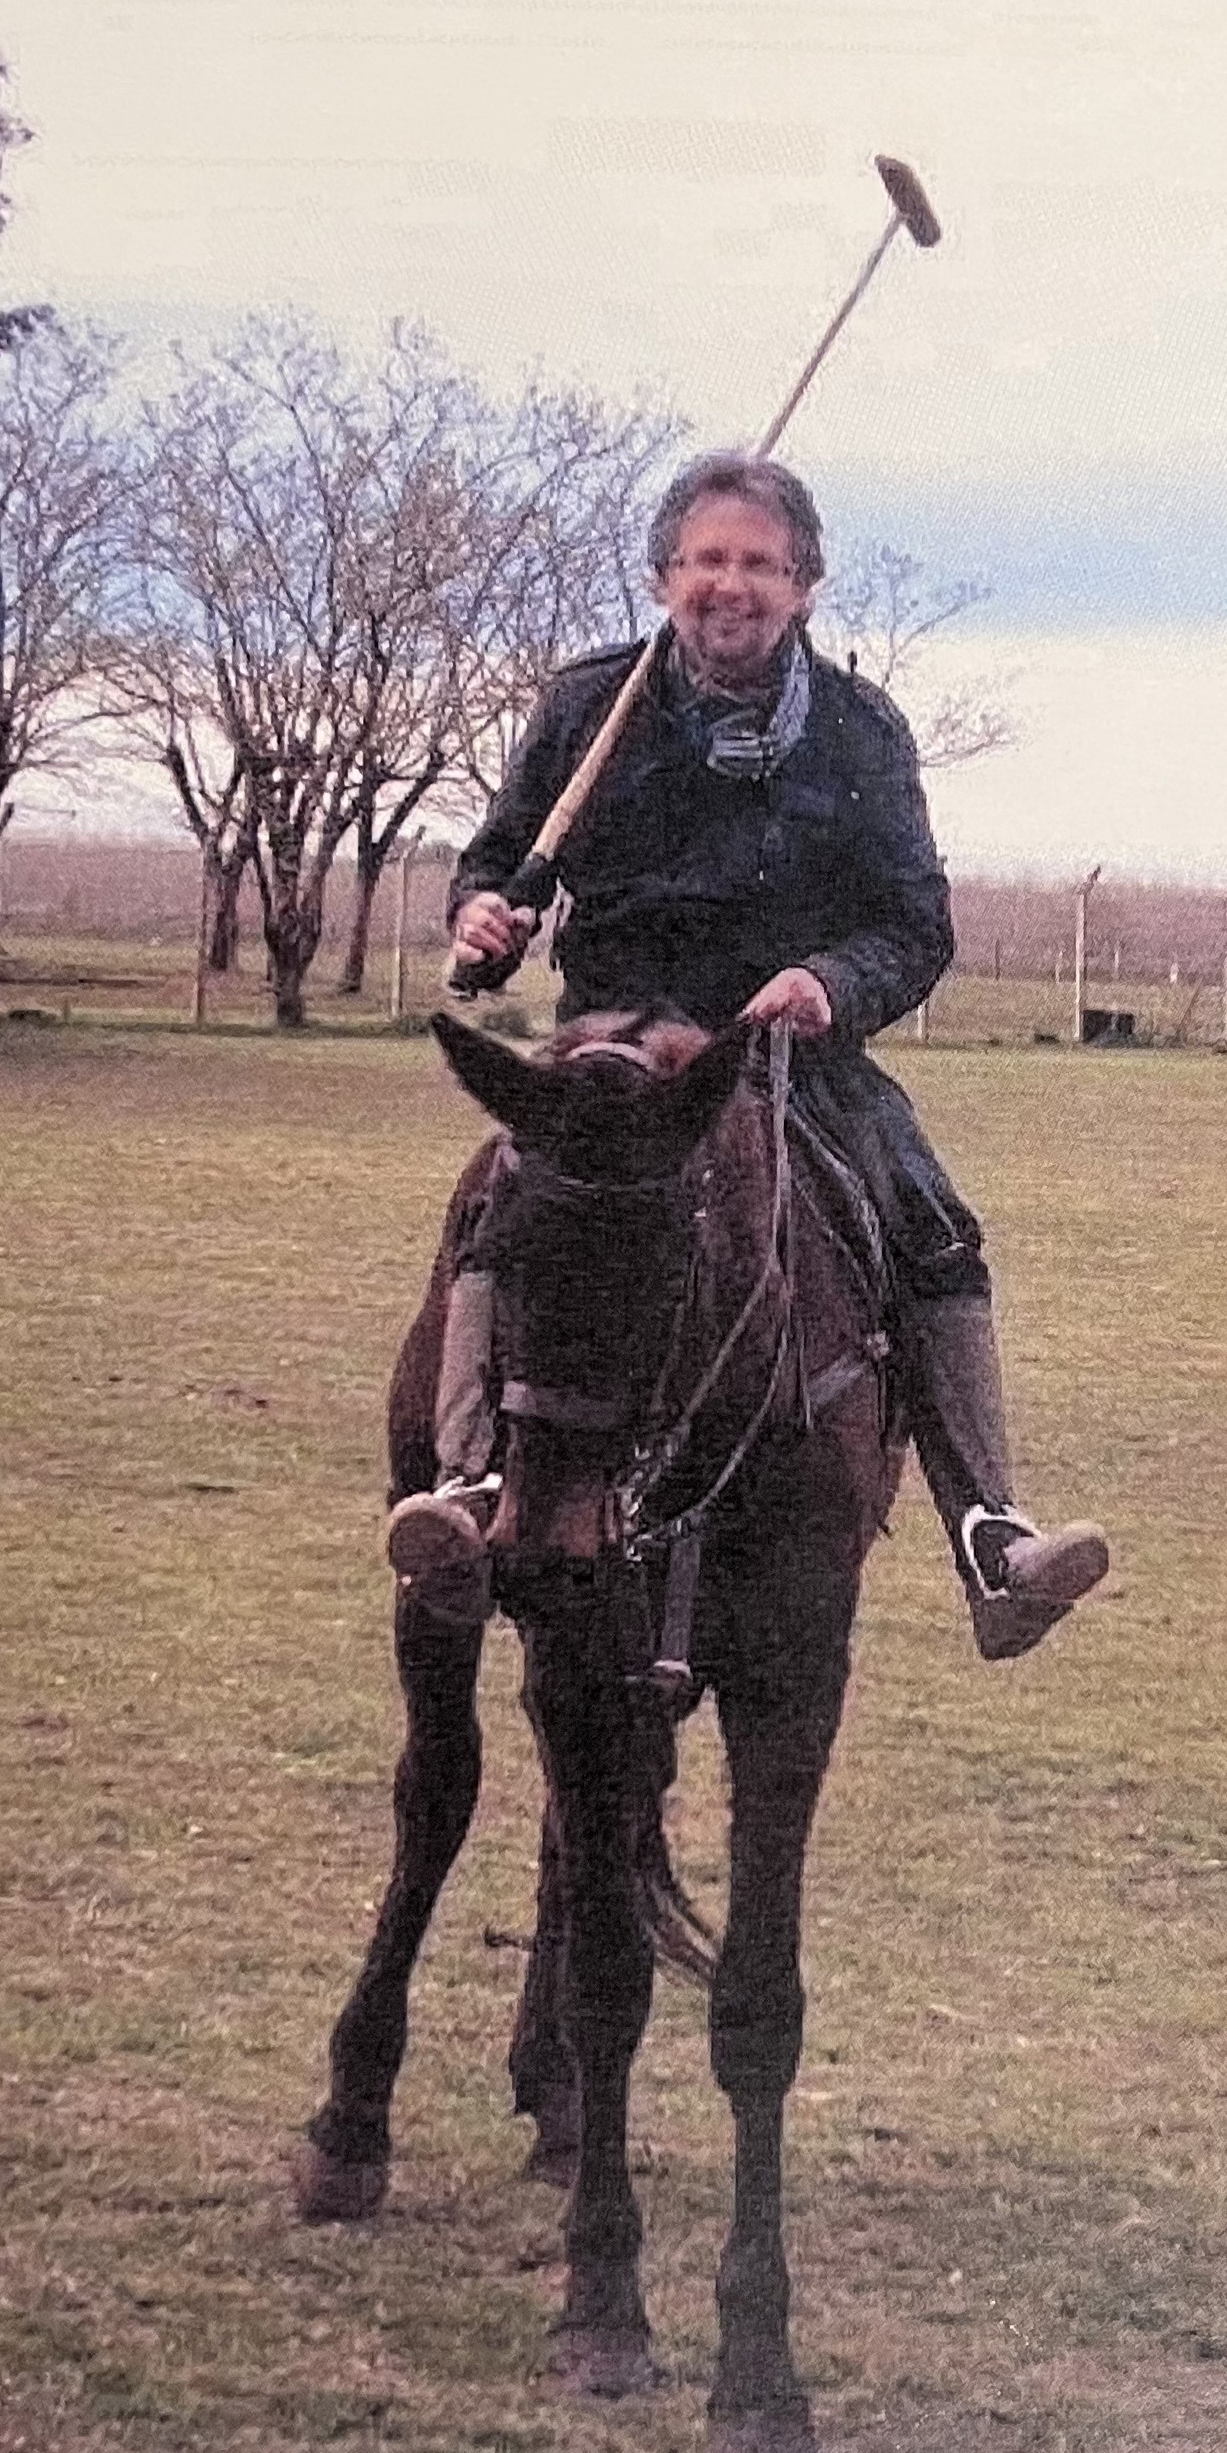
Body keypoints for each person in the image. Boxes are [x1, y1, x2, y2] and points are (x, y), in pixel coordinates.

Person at [387, 449, 1108, 1660]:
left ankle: (991, 1533)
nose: (733, 584)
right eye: (708, 560)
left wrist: (829, 982)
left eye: (761, 564)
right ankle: (466, 1486)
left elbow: (914, 927)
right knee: (498, 1208)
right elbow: (502, 860)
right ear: (663, 576)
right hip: (614, 1058)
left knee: (933, 1224)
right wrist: (485, 917)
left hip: (787, 1055)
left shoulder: (861, 731)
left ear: (805, 587)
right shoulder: (586, 706)